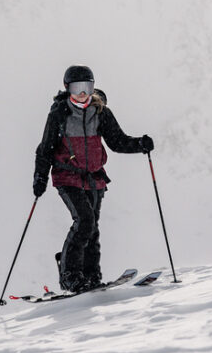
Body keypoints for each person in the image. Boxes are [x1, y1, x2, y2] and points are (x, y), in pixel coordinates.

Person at [32, 65, 153, 292]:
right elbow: (45, 149)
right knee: (84, 221)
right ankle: (70, 276)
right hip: (67, 176)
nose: (83, 93)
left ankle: (91, 276)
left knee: (92, 227)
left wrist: (140, 144)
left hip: (94, 178)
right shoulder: (60, 114)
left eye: (87, 87)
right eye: (78, 88)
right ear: (68, 88)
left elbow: (117, 141)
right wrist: (40, 177)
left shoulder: (101, 112)